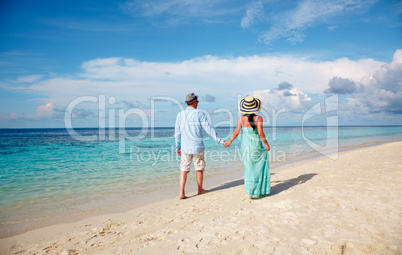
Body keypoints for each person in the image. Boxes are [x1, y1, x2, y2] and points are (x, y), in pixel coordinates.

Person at [175, 93, 228, 199]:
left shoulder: (180, 115)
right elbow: (209, 129)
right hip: (197, 146)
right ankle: (199, 189)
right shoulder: (199, 113)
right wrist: (220, 141)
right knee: (199, 168)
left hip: (185, 147)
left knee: (184, 169)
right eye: (197, 101)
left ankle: (182, 193)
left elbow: (177, 132)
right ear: (194, 102)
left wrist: (178, 146)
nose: (197, 104)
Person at [226, 96, 270, 198]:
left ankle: (250, 191)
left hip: (245, 146)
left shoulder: (241, 119)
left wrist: (229, 141)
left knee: (249, 169)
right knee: (258, 168)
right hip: (256, 146)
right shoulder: (258, 118)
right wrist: (266, 144)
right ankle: (258, 191)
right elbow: (261, 133)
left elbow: (236, 132)